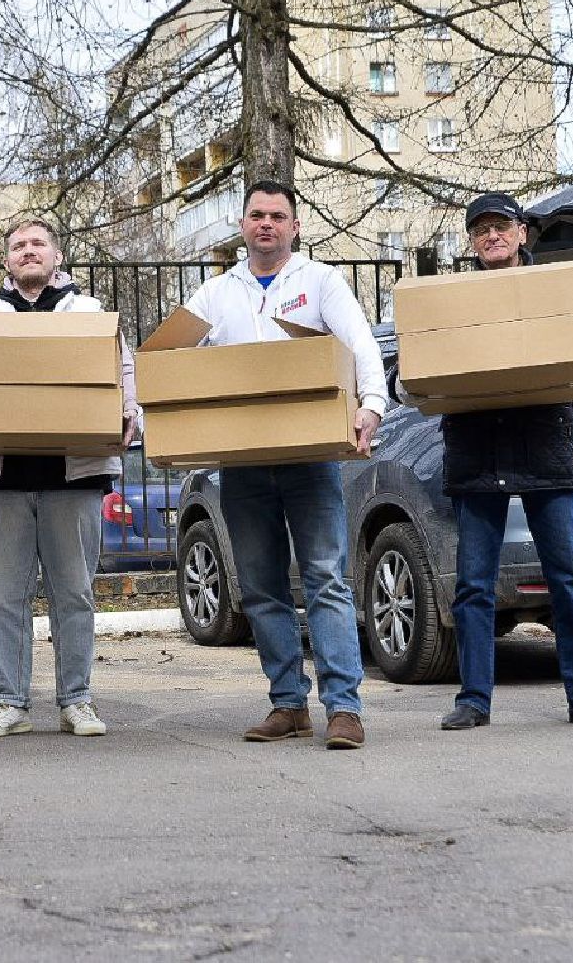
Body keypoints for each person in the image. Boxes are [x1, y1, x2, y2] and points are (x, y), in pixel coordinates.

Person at [398, 192, 573, 732]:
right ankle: (474, 699)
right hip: (477, 456)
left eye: (501, 226)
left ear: (522, 233)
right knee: (474, 586)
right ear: (472, 242)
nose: (492, 237)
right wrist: (403, 378)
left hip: (544, 450)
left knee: (568, 578)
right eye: (481, 230)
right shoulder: (452, 298)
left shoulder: (555, 287)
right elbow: (413, 347)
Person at [184, 179, 385, 750]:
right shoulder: (216, 293)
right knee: (260, 587)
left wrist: (371, 405)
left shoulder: (320, 281)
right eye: (256, 215)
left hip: (310, 459)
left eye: (277, 215)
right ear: (242, 226)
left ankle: (344, 708)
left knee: (325, 577)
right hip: (243, 463)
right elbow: (172, 356)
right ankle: (288, 704)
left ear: (294, 226)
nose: (266, 223)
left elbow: (360, 343)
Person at [0, 218, 142, 739]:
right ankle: (9, 703)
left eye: (37, 244)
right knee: (2, 596)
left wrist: (130, 413)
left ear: (57, 255)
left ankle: (77, 700)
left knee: (73, 592)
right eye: (18, 246)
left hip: (74, 475)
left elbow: (123, 374)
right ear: (7, 261)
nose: (28, 252)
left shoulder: (91, 314)